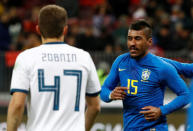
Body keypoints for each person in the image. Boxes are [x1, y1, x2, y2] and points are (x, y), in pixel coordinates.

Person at [7, 5, 101, 131]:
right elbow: (95, 107)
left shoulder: (26, 57)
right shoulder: (84, 57)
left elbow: (17, 105)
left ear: (38, 29)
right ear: (65, 30)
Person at [100, 20, 190, 131]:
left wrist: (161, 110)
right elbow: (104, 90)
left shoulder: (162, 67)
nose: (132, 43)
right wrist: (110, 95)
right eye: (129, 38)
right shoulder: (120, 61)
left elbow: (185, 95)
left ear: (149, 42)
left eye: (137, 39)